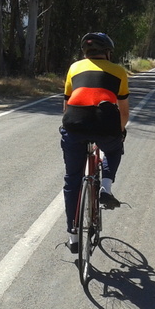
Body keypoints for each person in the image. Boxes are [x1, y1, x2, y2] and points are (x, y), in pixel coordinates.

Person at [60, 32, 130, 253]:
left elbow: (66, 106)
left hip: (74, 125)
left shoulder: (74, 68)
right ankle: (105, 188)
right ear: (107, 52)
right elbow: (124, 113)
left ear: (86, 52)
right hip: (104, 126)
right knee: (114, 149)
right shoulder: (119, 71)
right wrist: (119, 132)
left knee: (72, 180)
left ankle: (73, 236)